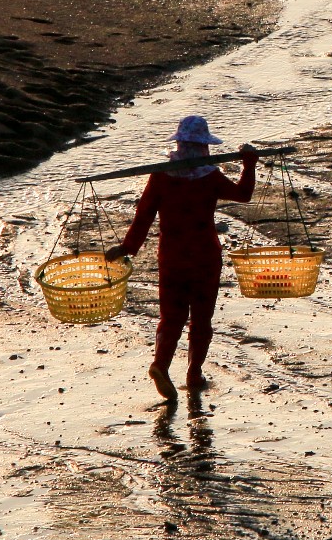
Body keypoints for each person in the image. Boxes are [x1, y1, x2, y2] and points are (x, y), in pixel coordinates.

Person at [104, 115, 256, 401]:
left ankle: (160, 364)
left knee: (171, 317)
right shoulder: (209, 177)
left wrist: (127, 247)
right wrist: (249, 163)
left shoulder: (161, 175)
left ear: (179, 144)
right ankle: (194, 373)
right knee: (201, 319)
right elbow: (243, 194)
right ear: (203, 148)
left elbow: (144, 215)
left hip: (171, 257)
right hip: (204, 257)